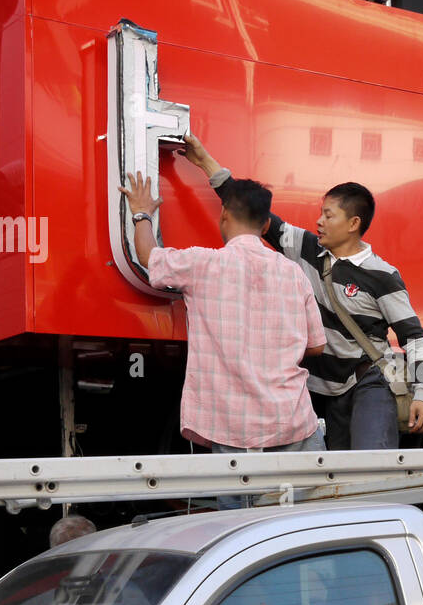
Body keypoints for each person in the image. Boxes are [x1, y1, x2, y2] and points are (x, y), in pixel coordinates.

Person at [176, 135, 423, 450]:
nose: (318, 221)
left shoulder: (383, 275)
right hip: (324, 389)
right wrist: (203, 161)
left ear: (353, 223)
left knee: (371, 467)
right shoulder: (307, 248)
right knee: (334, 478)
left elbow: (416, 338)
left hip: (369, 380)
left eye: (328, 215)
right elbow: (250, 210)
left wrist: (422, 395)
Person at [119, 172, 327, 477]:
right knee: (308, 518)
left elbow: (149, 256)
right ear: (266, 225)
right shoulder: (294, 273)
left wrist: (142, 213)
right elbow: (317, 345)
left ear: (224, 214)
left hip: (233, 426)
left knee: (241, 519)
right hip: (292, 419)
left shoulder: (202, 264)